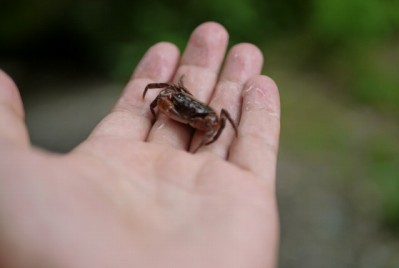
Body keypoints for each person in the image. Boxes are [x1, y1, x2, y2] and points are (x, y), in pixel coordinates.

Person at [0, 22, 281, 268]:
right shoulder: (174, 98)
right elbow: (169, 94)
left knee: (187, 104)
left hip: (202, 116)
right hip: (192, 108)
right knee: (173, 94)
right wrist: (162, 105)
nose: (174, 102)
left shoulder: (209, 118)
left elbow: (215, 119)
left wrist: (211, 136)